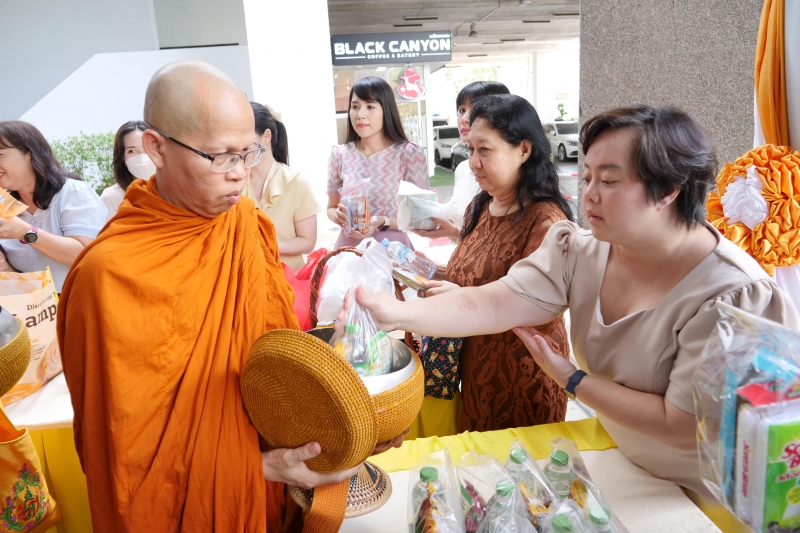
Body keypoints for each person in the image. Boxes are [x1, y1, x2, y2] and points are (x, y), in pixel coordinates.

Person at [347, 105, 800, 501]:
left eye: (609, 180)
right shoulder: (581, 249)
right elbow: (491, 303)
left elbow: (680, 424)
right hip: (619, 456)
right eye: (586, 176)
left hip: (696, 491)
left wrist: (572, 378)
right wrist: (397, 311)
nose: (589, 194)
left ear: (669, 190)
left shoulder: (732, 295)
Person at [58, 61, 359, 533]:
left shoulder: (244, 225)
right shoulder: (108, 276)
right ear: (156, 148)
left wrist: (324, 361)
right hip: (190, 506)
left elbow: (268, 353)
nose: (240, 174)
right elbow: (123, 450)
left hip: (271, 485)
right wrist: (253, 467)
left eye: (250, 153)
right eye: (221, 157)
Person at [416, 94, 574, 433]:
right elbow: (471, 275)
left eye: (484, 150)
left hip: (522, 377)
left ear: (524, 150)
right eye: (471, 150)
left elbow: (535, 308)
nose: (473, 162)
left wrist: (455, 293)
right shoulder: (481, 206)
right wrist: (423, 270)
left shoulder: (544, 222)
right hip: (477, 370)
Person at [0, 121, 106, 292]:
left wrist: (25, 232)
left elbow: (86, 254)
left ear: (30, 154)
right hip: (34, 313)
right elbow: (24, 277)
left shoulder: (73, 192)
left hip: (80, 306)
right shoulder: (5, 207)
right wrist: (5, 268)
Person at [327, 76, 429, 249]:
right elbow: (331, 207)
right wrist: (336, 216)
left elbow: (423, 217)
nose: (360, 115)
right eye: (355, 107)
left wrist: (383, 221)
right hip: (349, 251)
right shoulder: (339, 154)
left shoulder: (409, 153)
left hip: (392, 252)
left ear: (386, 110)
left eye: (370, 107)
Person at [413, 81, 510, 243]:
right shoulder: (463, 169)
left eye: (475, 110)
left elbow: (502, 245)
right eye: (461, 110)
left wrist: (456, 232)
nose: (464, 119)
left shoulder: (507, 173)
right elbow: (458, 224)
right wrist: (441, 211)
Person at [243, 102, 321, 270]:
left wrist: (264, 247)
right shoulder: (234, 180)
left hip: (287, 278)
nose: (240, 148)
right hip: (244, 277)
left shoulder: (296, 183)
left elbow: (307, 241)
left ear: (266, 136)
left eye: (245, 139)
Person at [101, 120, 155, 220]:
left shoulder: (173, 193)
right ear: (123, 158)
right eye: (132, 151)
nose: (142, 157)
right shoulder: (112, 197)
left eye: (146, 148)